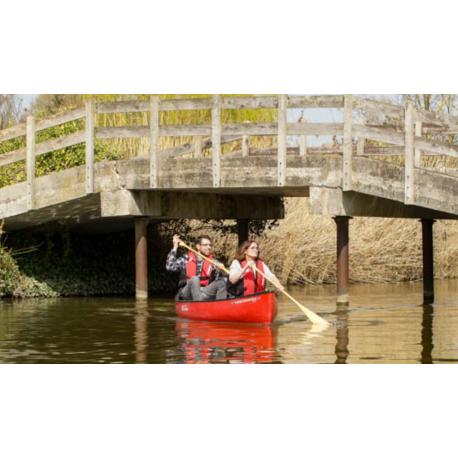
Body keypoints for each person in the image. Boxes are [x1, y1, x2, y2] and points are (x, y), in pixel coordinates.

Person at [166, 234, 227, 301]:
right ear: (198, 246)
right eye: (205, 245)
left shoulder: (213, 262)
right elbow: (169, 266)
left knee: (222, 282)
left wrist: (222, 270)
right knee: (195, 279)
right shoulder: (187, 258)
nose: (209, 247)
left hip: (204, 291)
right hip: (187, 293)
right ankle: (198, 305)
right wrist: (175, 247)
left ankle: (220, 307)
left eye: (210, 245)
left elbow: (219, 279)